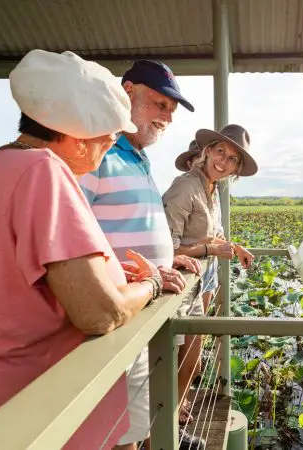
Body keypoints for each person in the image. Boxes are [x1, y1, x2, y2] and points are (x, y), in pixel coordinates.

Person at [0, 49, 163, 450]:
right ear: (77, 140)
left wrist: (111, 275)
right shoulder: (45, 172)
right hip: (8, 414)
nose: (108, 149)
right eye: (108, 139)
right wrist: (150, 285)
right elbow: (100, 312)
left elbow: (18, 278)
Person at [78, 60, 204, 450]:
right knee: (119, 429)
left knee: (134, 418)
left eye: (171, 109)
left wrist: (166, 262)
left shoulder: (137, 156)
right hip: (115, 312)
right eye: (158, 104)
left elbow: (129, 225)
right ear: (127, 91)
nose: (167, 116)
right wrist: (138, 278)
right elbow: (72, 239)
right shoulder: (93, 152)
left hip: (141, 304)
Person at [162, 124, 258, 426]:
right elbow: (168, 246)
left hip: (196, 283)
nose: (224, 162)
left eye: (232, 160)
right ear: (207, 151)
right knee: (176, 358)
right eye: (221, 152)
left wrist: (236, 246)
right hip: (176, 286)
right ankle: (166, 424)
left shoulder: (210, 188)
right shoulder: (185, 186)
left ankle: (176, 410)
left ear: (236, 169)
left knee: (194, 356)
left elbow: (212, 235)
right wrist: (210, 252)